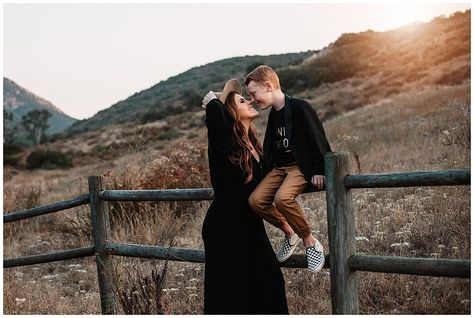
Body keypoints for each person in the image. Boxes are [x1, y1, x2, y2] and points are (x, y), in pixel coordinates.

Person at [201, 79, 289, 314]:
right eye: (242, 100)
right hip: (225, 228)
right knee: (232, 297)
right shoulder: (224, 143)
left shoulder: (254, 144)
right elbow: (215, 113)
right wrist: (214, 101)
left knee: (270, 284)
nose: (250, 101)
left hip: (251, 225)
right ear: (230, 112)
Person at [246, 65, 332, 273]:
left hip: (299, 168)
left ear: (268, 86)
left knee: (283, 198)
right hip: (280, 168)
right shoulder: (274, 115)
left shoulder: (300, 107)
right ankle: (290, 233)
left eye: (253, 93)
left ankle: (310, 242)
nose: (252, 100)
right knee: (255, 201)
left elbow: (317, 139)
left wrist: (319, 169)